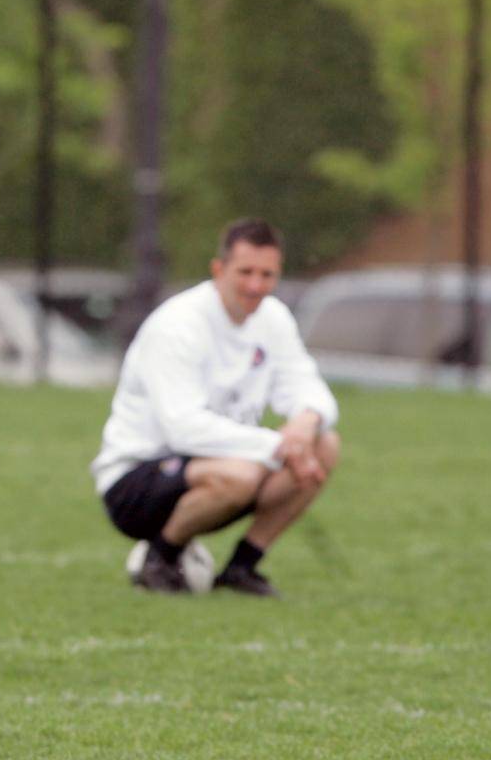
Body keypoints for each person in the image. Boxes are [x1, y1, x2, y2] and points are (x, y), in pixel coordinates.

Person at [91, 219, 339, 597]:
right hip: (135, 481)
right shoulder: (177, 325)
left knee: (325, 444)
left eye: (267, 274)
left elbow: (307, 385)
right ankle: (158, 558)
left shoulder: (272, 318)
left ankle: (242, 568)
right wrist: (277, 445)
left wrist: (306, 421)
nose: (256, 286)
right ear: (218, 269)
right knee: (239, 473)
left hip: (228, 469)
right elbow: (183, 429)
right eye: (245, 272)